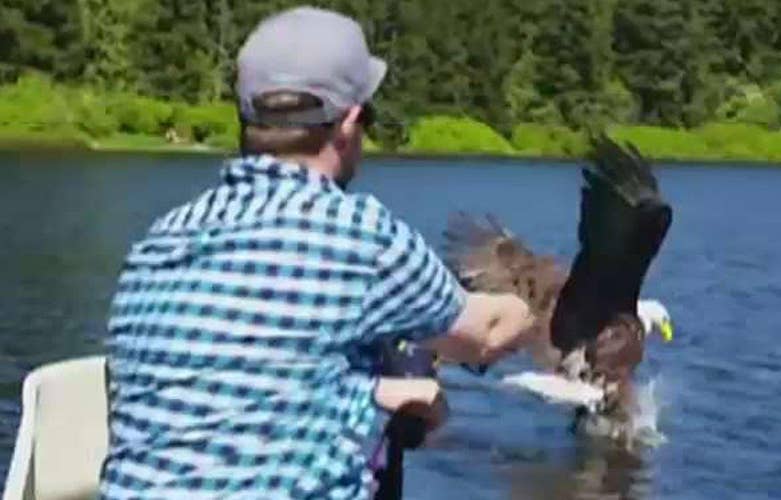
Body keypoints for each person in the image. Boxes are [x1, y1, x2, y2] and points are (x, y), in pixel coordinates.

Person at [98, 6, 534, 499]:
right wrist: (533, 298)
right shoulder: (359, 235)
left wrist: (372, 393)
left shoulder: (159, 242)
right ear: (348, 125)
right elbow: (488, 334)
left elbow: (251, 383)